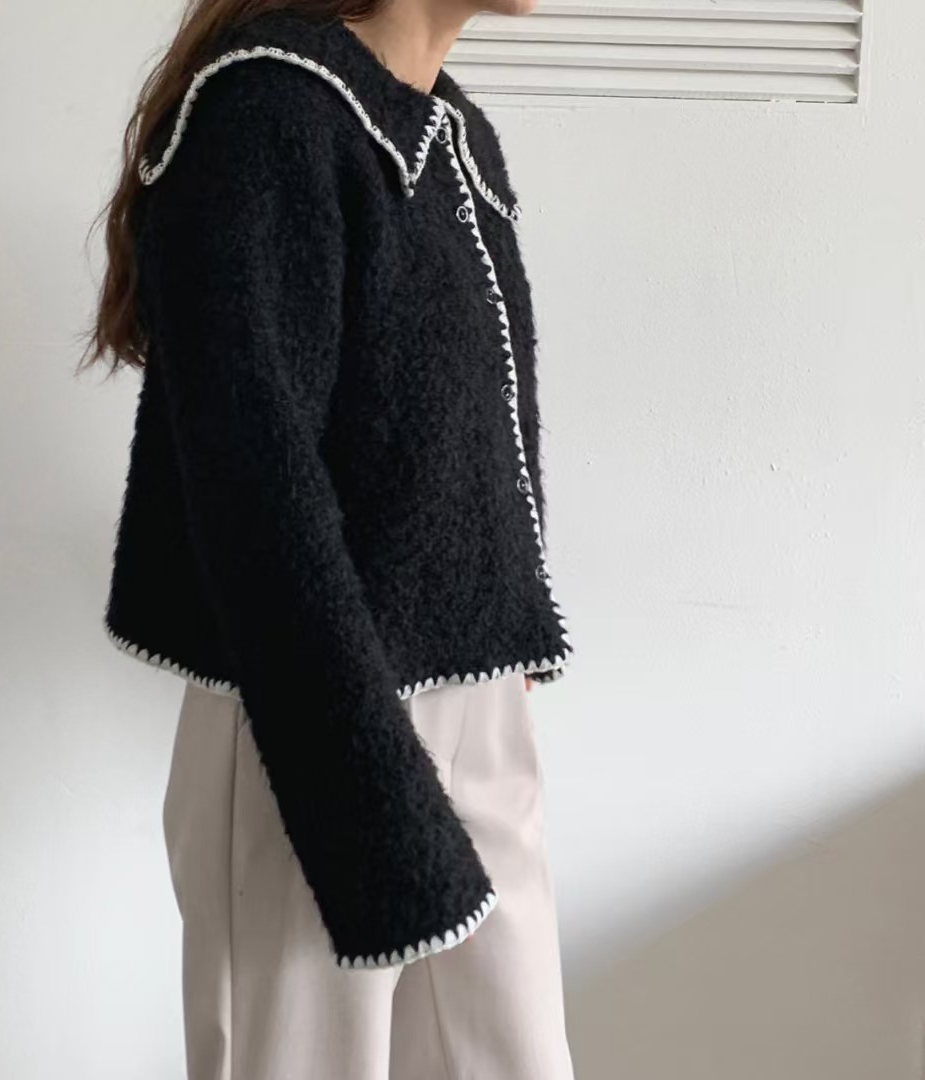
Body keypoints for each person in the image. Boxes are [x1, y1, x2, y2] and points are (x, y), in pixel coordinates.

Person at [79, 1, 576, 1076]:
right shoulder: (266, 114)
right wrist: (366, 785)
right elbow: (254, 495)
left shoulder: (453, 134)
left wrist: (506, 639)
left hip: (474, 704)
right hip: (311, 724)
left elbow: (475, 431)